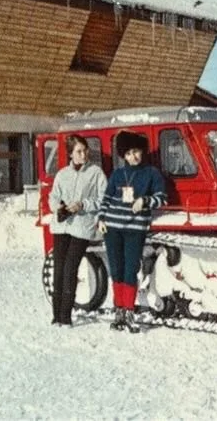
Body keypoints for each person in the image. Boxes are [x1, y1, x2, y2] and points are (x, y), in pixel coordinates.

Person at [98, 132, 166, 333]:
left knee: (130, 270)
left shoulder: (151, 173)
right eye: (128, 153)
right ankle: (118, 311)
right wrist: (101, 218)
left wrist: (145, 201)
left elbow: (162, 197)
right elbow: (107, 198)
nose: (133, 157)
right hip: (112, 228)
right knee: (116, 270)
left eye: (135, 152)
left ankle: (129, 311)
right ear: (123, 156)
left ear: (141, 151)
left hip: (135, 229)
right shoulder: (118, 174)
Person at [47, 136, 105, 327]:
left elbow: (103, 199)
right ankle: (56, 316)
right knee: (59, 270)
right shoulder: (62, 174)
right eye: (79, 151)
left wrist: (83, 204)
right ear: (71, 153)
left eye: (85, 150)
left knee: (70, 269)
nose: (83, 154)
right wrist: (59, 207)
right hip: (62, 225)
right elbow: (53, 197)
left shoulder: (96, 173)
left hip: (82, 226)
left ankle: (66, 316)